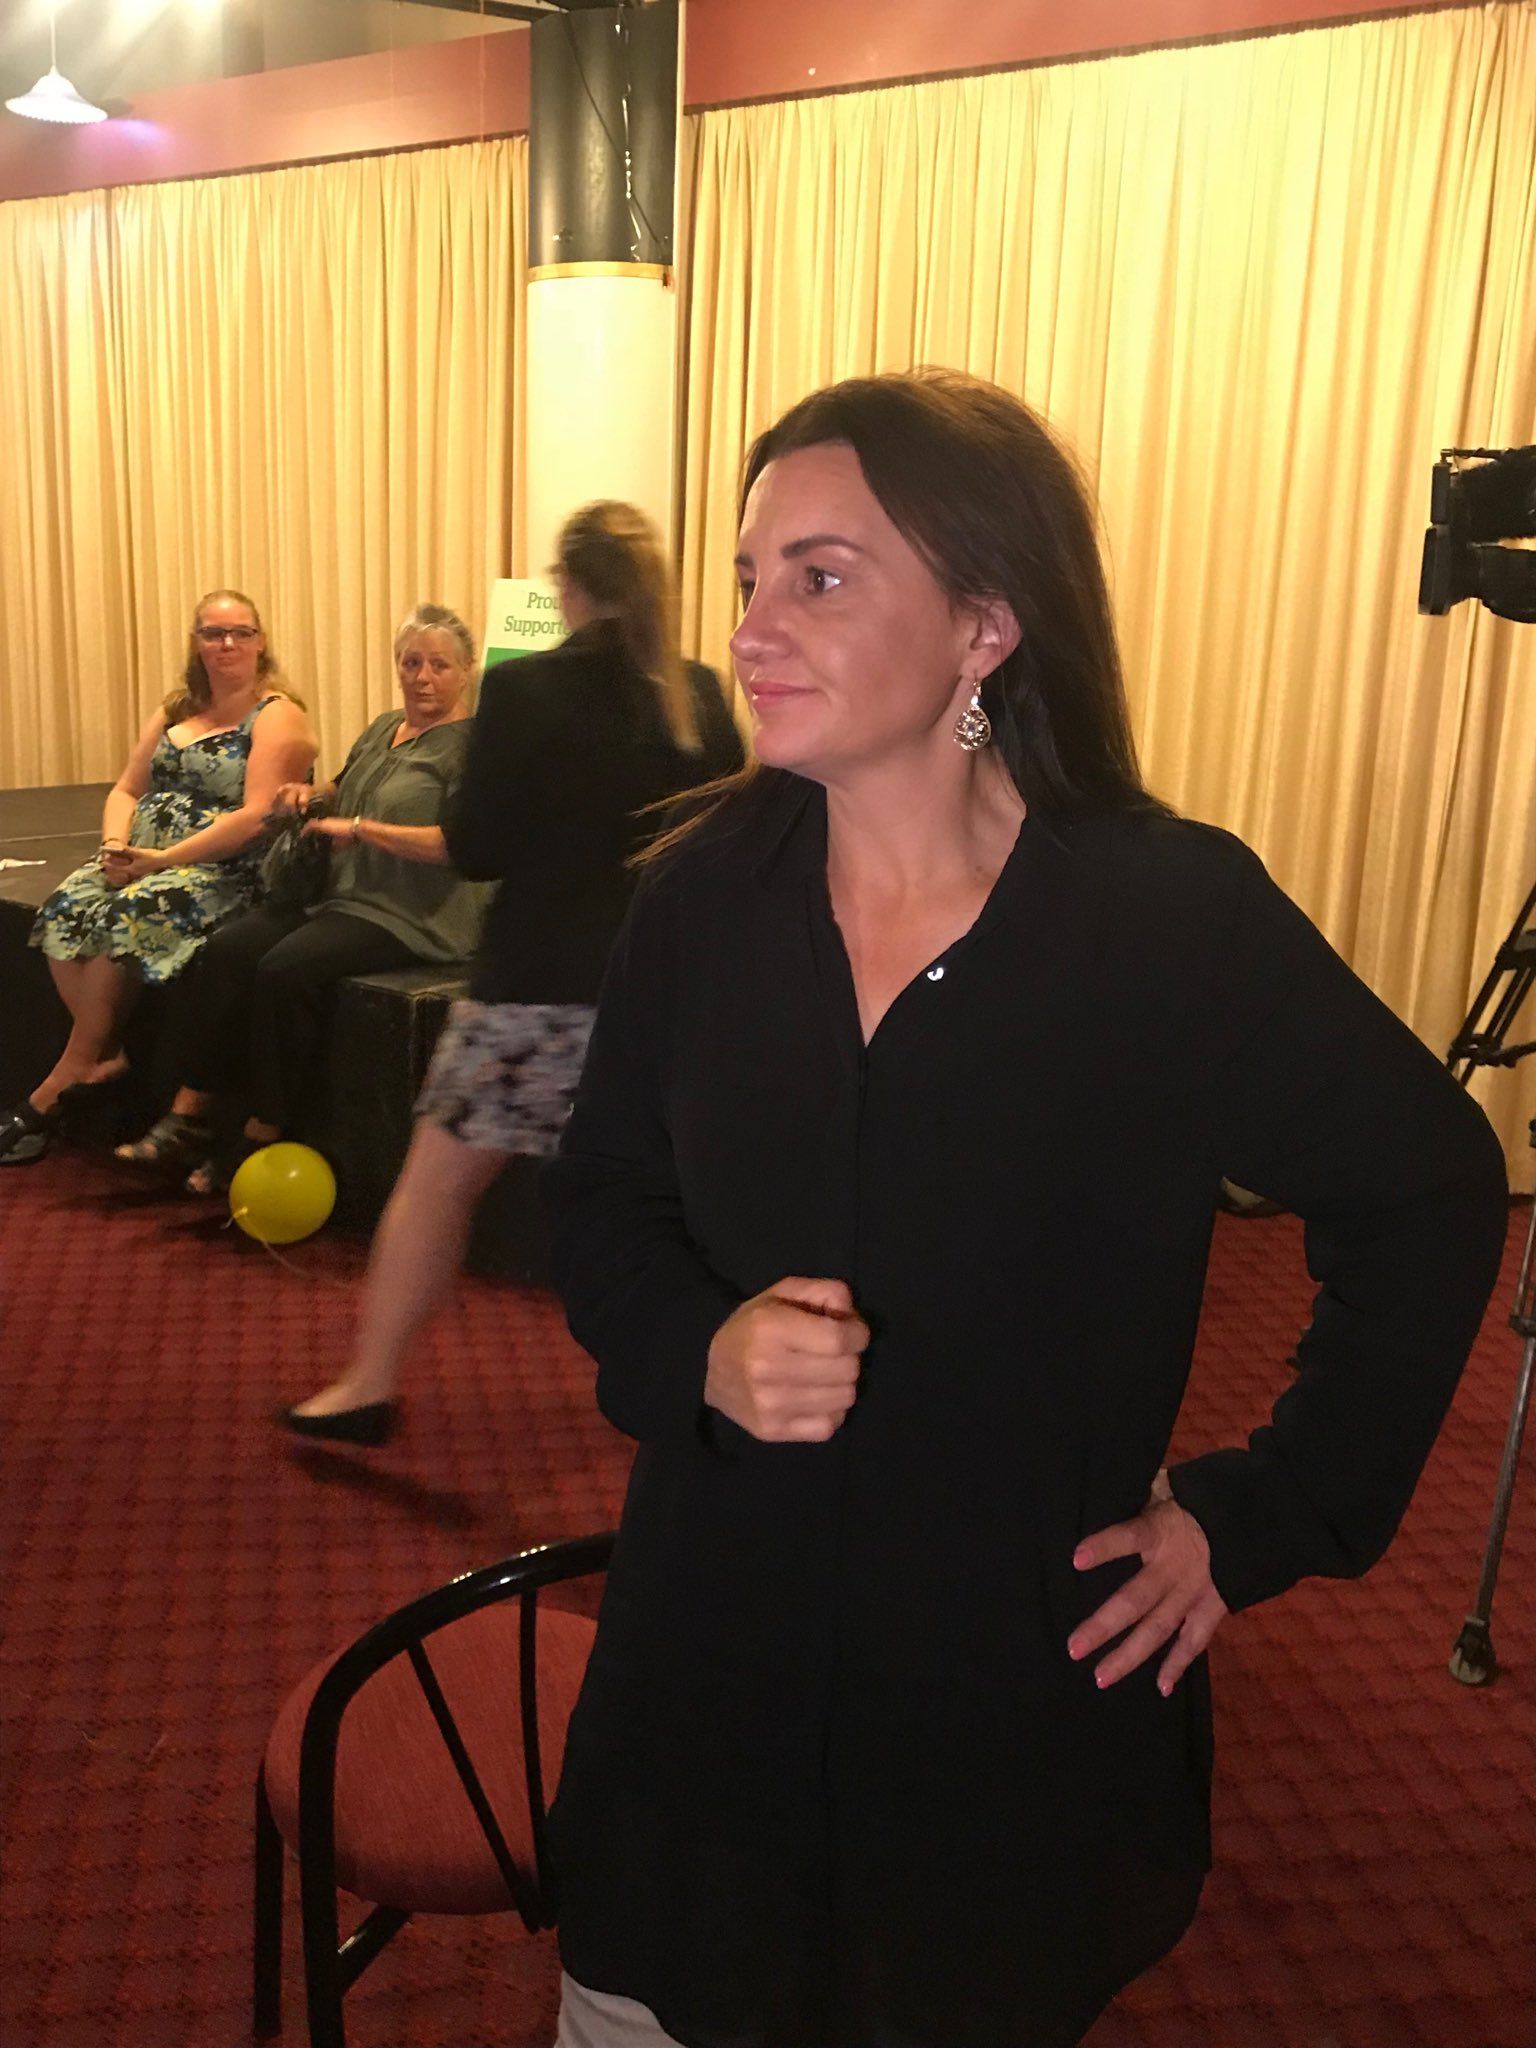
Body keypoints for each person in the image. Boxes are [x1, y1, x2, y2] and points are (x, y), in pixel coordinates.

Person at [539, 373, 1510, 2048]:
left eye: (820, 576)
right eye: (751, 574)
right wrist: (700, 1345)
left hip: (1000, 1717)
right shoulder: (700, 902)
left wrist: (1265, 1510)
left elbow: (1427, 1187)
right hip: (707, 1683)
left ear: (985, 624)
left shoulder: (1163, 921)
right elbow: (602, 1201)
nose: (753, 628)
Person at [280, 502, 745, 1446]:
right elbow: (724, 840)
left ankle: (368, 1383)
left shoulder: (526, 690)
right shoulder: (696, 694)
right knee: (672, 1208)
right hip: (662, 995)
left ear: (566, 588)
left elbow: (477, 847)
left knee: (436, 1187)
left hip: (537, 990)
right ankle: (706, 1386)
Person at [112, 603, 490, 1192]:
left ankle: (263, 1131)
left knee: (285, 969)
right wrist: (306, 795)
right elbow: (341, 786)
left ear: (466, 671)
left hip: (412, 914)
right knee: (230, 949)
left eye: (439, 665)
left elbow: (458, 845)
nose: (422, 677)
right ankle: (190, 1116)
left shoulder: (475, 749)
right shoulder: (384, 727)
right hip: (340, 894)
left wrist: (361, 830)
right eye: (411, 662)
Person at [0, 590, 315, 1167]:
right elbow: (127, 788)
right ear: (196, 642)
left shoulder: (277, 715)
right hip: (147, 859)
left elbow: (256, 817)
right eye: (213, 633)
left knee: (128, 913)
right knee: (67, 906)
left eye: (239, 633)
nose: (226, 644)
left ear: (260, 641)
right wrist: (114, 846)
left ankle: (70, 1070)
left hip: (224, 870)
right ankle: (106, 1051)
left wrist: (162, 862)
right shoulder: (175, 710)